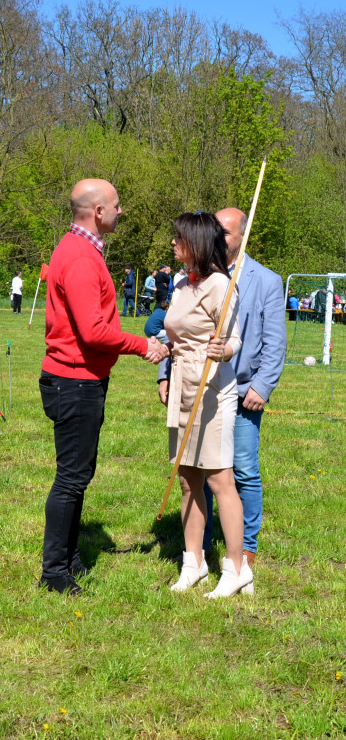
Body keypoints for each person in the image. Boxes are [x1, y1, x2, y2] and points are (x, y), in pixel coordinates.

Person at [39, 178, 166, 595]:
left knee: (80, 472)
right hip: (73, 380)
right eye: (116, 204)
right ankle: (54, 573)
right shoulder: (78, 256)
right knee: (72, 476)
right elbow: (93, 332)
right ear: (97, 211)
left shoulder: (83, 251)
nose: (121, 210)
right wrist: (142, 344)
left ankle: (70, 556)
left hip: (82, 378)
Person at [157, 211, 252, 598]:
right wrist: (164, 351)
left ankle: (236, 568)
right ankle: (193, 564)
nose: (173, 243)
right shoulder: (180, 284)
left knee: (219, 478)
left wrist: (223, 349)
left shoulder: (220, 286)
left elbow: (235, 339)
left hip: (213, 389)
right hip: (182, 385)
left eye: (178, 237)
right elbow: (176, 332)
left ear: (196, 242)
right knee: (187, 479)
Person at [195, 207, 286, 586]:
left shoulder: (266, 280)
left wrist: (262, 388)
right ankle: (199, 545)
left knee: (243, 471)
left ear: (242, 237)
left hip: (245, 391)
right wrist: (166, 375)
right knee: (203, 473)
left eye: (225, 233)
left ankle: (246, 550)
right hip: (205, 390)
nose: (218, 239)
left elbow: (275, 342)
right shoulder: (201, 274)